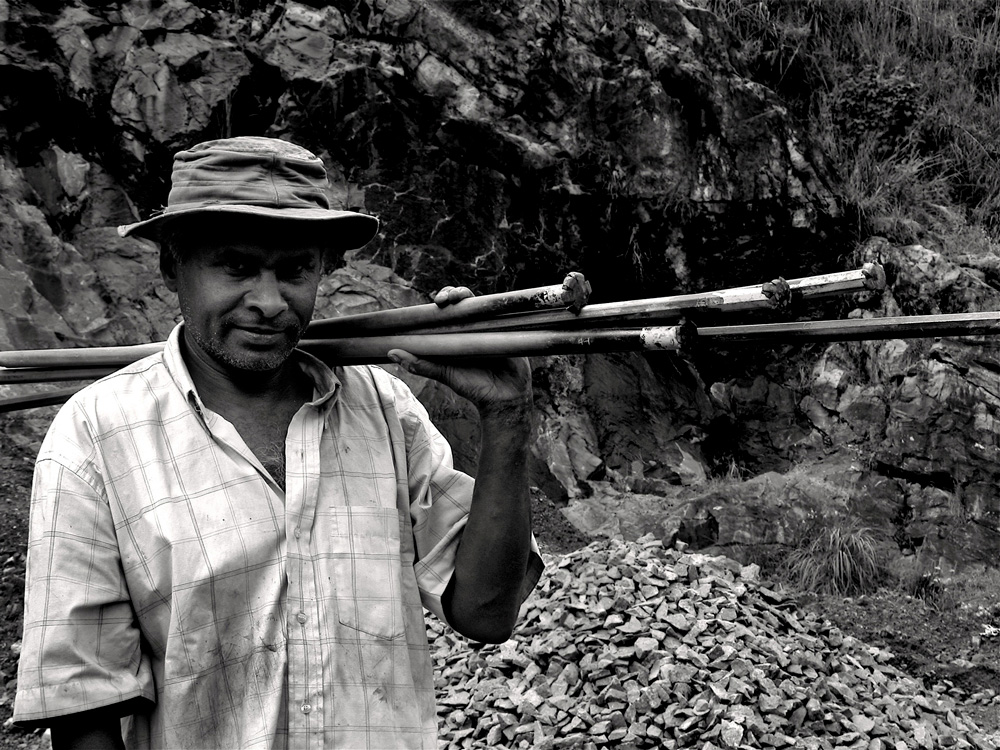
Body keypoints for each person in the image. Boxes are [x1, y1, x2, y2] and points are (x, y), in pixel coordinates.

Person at [13, 136, 542, 750]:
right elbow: (84, 708)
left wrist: (508, 416)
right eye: (236, 266)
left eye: (293, 270)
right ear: (171, 268)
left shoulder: (384, 409)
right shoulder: (95, 437)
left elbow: (486, 613)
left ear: (322, 270)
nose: (268, 302)